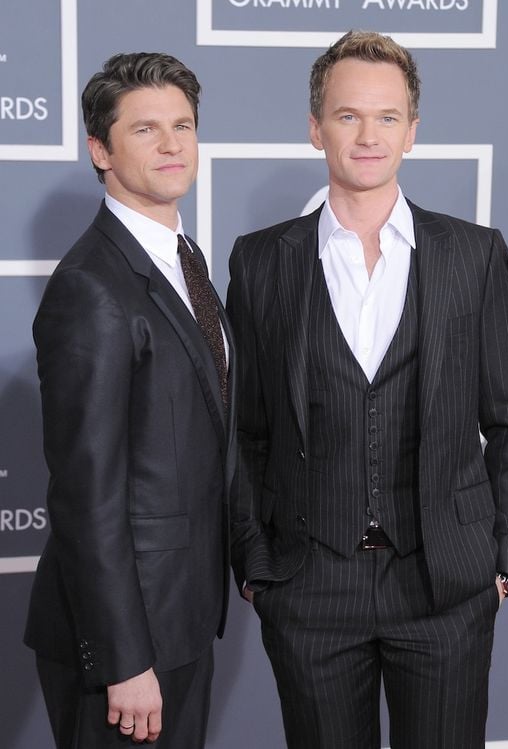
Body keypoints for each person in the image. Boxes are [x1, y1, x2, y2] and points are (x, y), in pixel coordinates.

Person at [226, 30, 508, 749]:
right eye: (347, 115)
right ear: (315, 128)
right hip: (309, 588)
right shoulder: (261, 262)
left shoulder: (473, 254)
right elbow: (245, 429)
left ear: (413, 131)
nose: (368, 135)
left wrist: (503, 559)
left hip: (447, 587)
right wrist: (256, 565)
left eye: (387, 117)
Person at [24, 52, 235, 749]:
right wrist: (124, 661)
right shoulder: (92, 286)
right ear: (100, 150)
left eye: (183, 125)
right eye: (146, 129)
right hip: (125, 644)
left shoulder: (183, 259)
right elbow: (87, 494)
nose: (173, 144)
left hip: (180, 618)